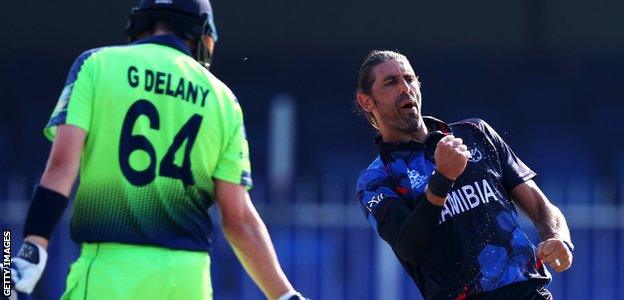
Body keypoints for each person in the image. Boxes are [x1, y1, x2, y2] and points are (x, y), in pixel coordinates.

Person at [8, 1, 305, 299]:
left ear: (140, 24)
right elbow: (238, 218)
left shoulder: (95, 65)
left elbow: (61, 168)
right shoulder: (223, 99)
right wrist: (284, 295)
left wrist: (33, 248)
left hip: (110, 273)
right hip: (188, 279)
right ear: (203, 32)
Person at [354, 50, 574, 299]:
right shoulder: (377, 179)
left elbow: (540, 205)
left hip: (527, 292)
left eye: (409, 78)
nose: (405, 88)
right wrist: (443, 180)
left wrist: (558, 238)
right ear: (366, 101)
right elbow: (409, 247)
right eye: (391, 82)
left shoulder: (474, 134)